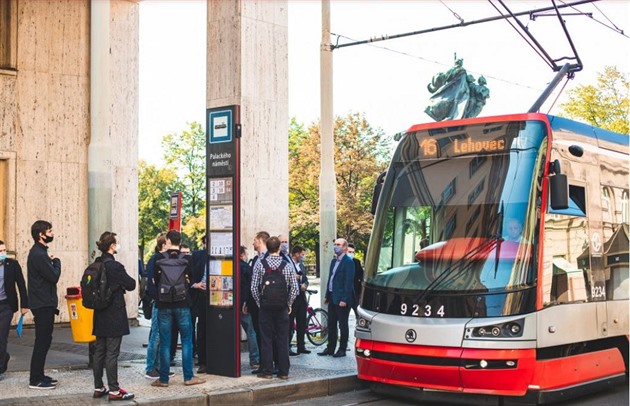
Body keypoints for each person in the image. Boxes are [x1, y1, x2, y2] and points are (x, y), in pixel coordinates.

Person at [151, 230, 205, 388]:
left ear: (167, 240)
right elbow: (193, 278)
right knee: (187, 340)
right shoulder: (188, 259)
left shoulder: (158, 258)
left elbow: (154, 280)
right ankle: (188, 377)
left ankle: (163, 379)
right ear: (180, 241)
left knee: (166, 342)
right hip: (183, 304)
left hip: (163, 304)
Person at [91, 232, 136, 401]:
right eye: (117, 242)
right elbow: (131, 284)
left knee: (99, 352)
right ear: (112, 246)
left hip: (99, 313)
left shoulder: (97, 263)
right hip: (114, 314)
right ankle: (114, 390)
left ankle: (98, 387)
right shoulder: (114, 266)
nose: (118, 245)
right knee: (112, 353)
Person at [250, 236, 298, 380]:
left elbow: (253, 288)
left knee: (266, 339)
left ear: (268, 248)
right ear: (278, 248)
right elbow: (294, 288)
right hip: (282, 308)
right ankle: (283, 372)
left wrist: (260, 303)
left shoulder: (260, 263)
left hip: (265, 308)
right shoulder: (286, 265)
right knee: (283, 339)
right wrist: (288, 304)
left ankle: (267, 371)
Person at [27, 220, 61, 390]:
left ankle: (39, 375)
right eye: (50, 231)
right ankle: (35, 379)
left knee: (45, 340)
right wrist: (57, 262)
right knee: (42, 340)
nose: (52, 233)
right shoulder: (39, 255)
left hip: (43, 302)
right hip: (42, 304)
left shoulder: (40, 253)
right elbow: (54, 276)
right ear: (41, 235)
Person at [318, 238, 355, 358]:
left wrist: (344, 299)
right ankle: (330, 347)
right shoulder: (334, 261)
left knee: (343, 325)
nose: (335, 246)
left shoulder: (348, 262)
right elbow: (331, 279)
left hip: (342, 299)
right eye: (334, 244)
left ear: (344, 247)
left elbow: (348, 282)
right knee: (331, 324)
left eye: (338, 245)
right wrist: (327, 295)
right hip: (333, 297)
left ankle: (342, 349)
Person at [144, 233, 171, 379]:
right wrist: (158, 297)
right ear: (164, 244)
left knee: (161, 335)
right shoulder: (155, 259)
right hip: (158, 302)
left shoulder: (162, 259)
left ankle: (159, 367)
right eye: (168, 242)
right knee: (156, 335)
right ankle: (150, 367)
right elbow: (151, 284)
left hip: (162, 301)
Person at [0, 240, 28, 377]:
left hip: (7, 305)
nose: (3, 253)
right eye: (0, 251)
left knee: (2, 336)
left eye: (4, 250)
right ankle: (4, 357)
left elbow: (21, 285)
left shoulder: (13, 265)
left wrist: (24, 305)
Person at [248, 231, 269, 374]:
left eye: (255, 240)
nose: (253, 243)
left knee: (264, 335)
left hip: (263, 303)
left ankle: (266, 364)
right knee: (260, 333)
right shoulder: (257, 259)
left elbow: (254, 285)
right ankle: (265, 363)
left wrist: (257, 301)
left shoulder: (264, 259)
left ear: (261, 241)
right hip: (260, 303)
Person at [238, 246, 259, 369]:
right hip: (244, 305)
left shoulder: (230, 266)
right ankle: (255, 359)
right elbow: (249, 287)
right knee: (251, 332)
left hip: (231, 305)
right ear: (241, 255)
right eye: (245, 254)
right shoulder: (246, 267)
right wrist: (246, 302)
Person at [190, 235, 208, 373]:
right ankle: (202, 361)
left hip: (216, 296)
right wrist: (194, 285)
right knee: (201, 329)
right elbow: (188, 274)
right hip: (199, 295)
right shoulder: (197, 256)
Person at [289, 245, 310, 355]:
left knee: (302, 323)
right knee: (290, 323)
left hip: (301, 297)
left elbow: (306, 279)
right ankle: (287, 347)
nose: (303, 256)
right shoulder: (289, 264)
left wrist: (305, 285)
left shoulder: (301, 265)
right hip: (292, 298)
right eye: (302, 254)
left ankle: (301, 346)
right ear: (296, 254)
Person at [347, 243, 364, 319]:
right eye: (349, 252)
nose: (351, 254)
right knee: (343, 318)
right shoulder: (341, 262)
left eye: (352, 252)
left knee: (359, 316)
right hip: (345, 296)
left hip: (355, 295)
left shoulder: (356, 262)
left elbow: (362, 275)